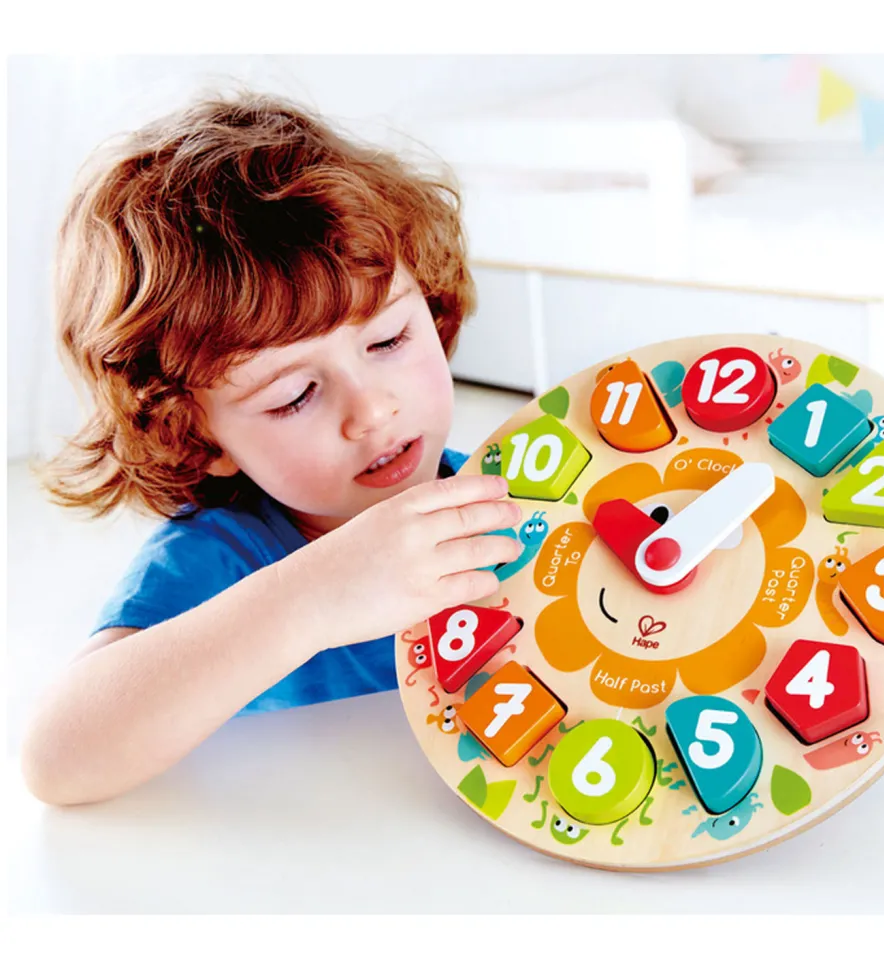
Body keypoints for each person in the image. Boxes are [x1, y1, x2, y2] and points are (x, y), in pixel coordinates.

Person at [20, 89, 524, 807]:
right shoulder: (220, 560)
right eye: (293, 396)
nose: (372, 410)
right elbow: (56, 761)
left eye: (389, 340)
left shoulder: (508, 488)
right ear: (198, 436)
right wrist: (314, 597)